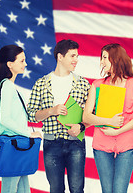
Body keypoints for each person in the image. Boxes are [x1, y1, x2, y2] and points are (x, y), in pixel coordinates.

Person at [27, 40, 90, 193]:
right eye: (72, 55)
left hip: (76, 143)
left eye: (77, 56)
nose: (76, 59)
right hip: (51, 143)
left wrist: (81, 126)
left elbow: (92, 114)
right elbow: (31, 115)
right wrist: (51, 111)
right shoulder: (41, 83)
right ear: (60, 57)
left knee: (77, 189)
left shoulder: (83, 84)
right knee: (56, 189)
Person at [83, 43, 133, 193]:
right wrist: (108, 122)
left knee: (119, 190)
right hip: (102, 144)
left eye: (104, 58)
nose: (101, 62)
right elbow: (86, 116)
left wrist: (118, 131)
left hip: (126, 144)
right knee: (107, 190)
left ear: (115, 59)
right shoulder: (97, 85)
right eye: (102, 58)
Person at [0, 45, 42, 193]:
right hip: (14, 146)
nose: (25, 64)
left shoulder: (8, 86)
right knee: (10, 189)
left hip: (17, 147)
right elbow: (5, 119)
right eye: (22, 60)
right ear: (10, 64)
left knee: (24, 190)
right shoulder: (7, 86)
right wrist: (29, 134)